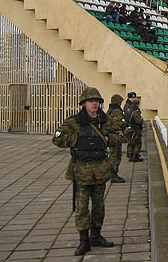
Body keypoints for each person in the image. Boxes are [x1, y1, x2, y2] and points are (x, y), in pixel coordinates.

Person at [52, 87, 115, 256]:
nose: (94, 104)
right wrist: (77, 139)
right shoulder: (75, 121)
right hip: (81, 170)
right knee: (81, 207)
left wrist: (108, 138)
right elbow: (57, 138)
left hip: (100, 169)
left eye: (96, 101)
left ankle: (96, 236)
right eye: (90, 101)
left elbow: (122, 134)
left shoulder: (105, 120)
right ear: (84, 103)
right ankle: (84, 240)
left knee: (99, 206)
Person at [106, 94, 126, 183]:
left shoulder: (110, 111)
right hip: (115, 136)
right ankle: (113, 174)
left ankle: (113, 174)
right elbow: (119, 123)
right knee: (115, 155)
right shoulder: (117, 111)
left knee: (113, 155)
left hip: (111, 136)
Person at [125, 95, 144, 162]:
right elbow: (138, 121)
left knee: (131, 143)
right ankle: (135, 156)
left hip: (129, 128)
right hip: (135, 129)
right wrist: (141, 119)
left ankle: (130, 156)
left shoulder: (129, 109)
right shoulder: (136, 111)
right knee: (138, 143)